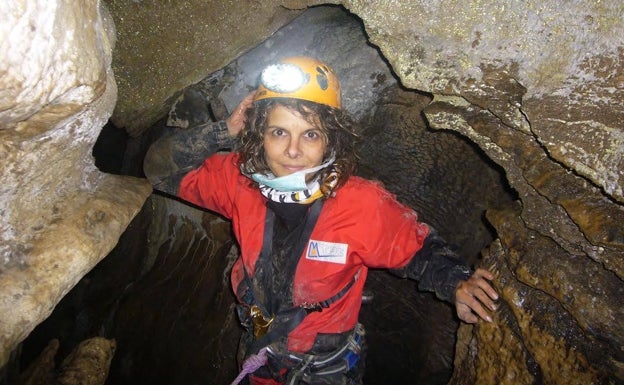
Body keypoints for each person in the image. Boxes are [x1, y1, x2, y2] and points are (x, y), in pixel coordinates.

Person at [143, 56, 499, 385]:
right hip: (260, 354)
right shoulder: (240, 181)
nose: (293, 151)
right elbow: (159, 169)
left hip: (324, 370)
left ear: (330, 140)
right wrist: (226, 130)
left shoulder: (360, 203)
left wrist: (456, 282)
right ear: (260, 136)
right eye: (279, 132)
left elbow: (417, 249)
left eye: (310, 134)